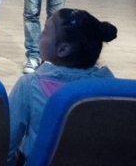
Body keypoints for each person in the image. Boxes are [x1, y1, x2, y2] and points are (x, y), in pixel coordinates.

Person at [7, 9, 117, 166]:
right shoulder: (110, 86)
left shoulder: (30, 85)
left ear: (63, 50)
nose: (40, 35)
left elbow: (7, 141)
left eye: (45, 31)